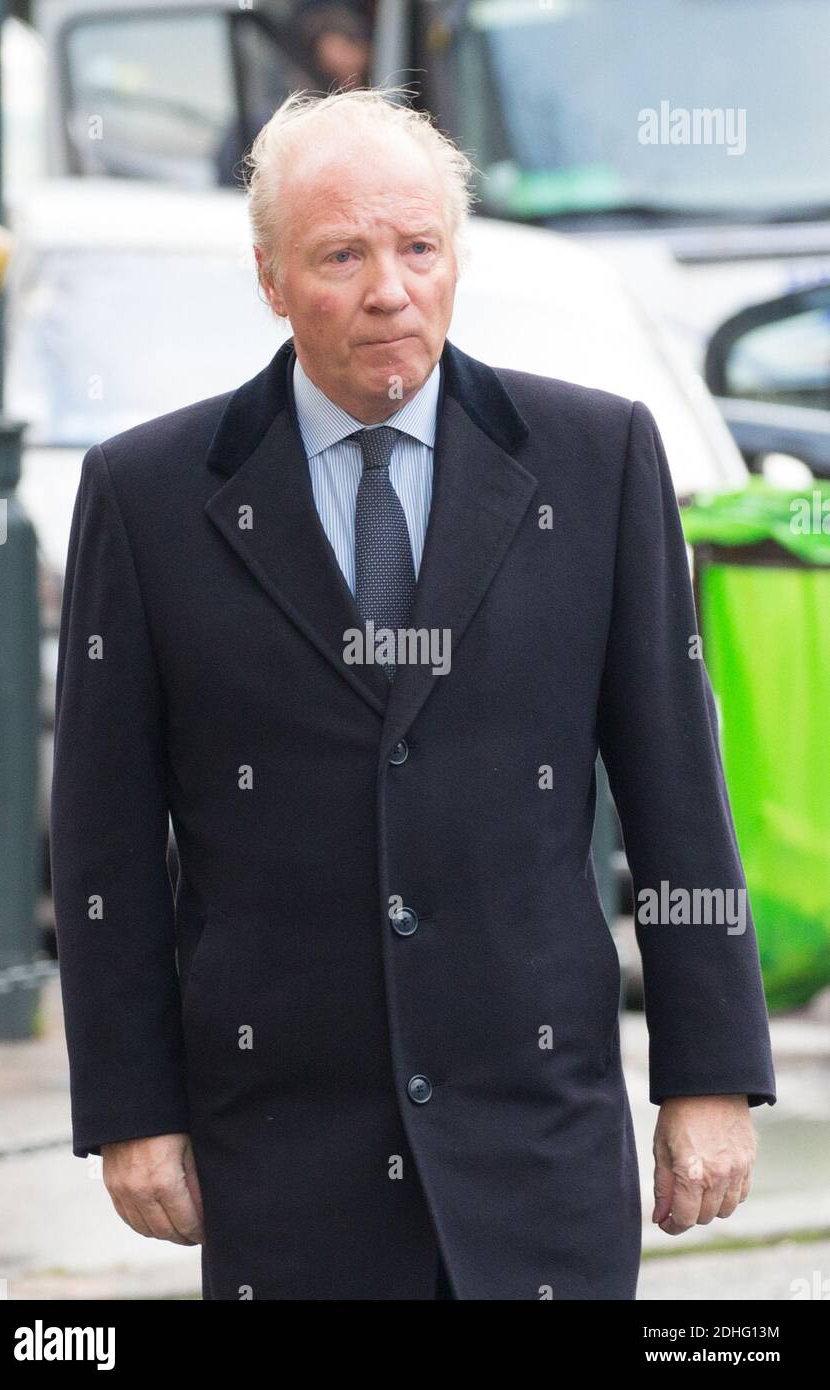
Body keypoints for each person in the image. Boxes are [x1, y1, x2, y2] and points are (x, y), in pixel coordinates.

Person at [50, 85, 776, 1301]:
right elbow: (104, 843)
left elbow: (675, 793)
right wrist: (130, 1108)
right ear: (272, 279)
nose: (390, 288)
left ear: (455, 258)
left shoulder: (597, 460)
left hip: (535, 1137)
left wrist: (708, 1075)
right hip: (283, 1149)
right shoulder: (148, 495)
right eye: (343, 254)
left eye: (418, 247)